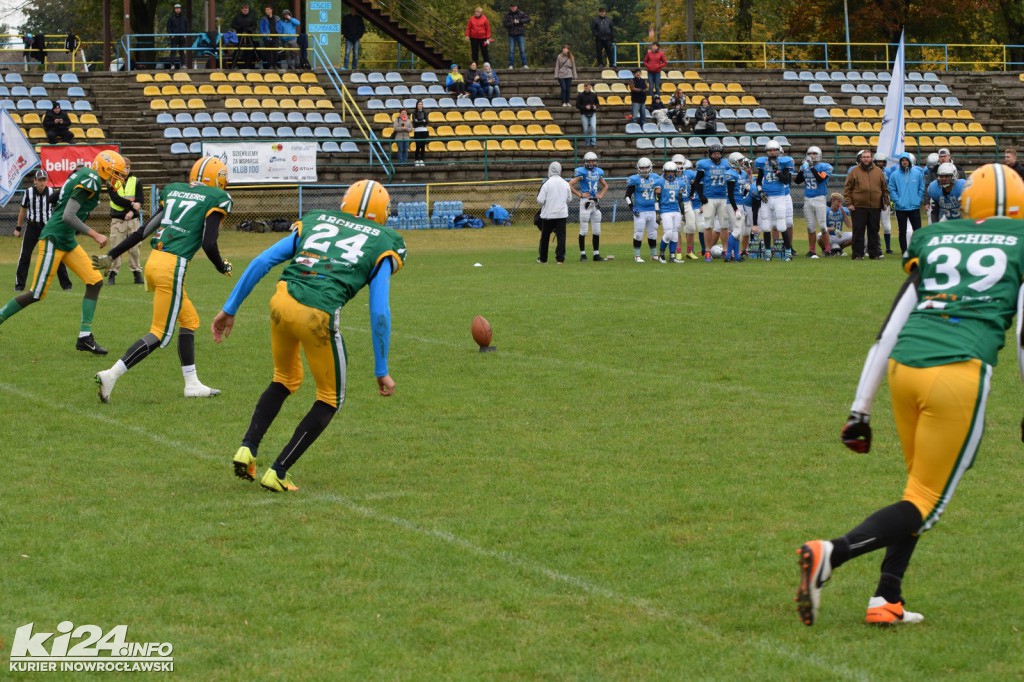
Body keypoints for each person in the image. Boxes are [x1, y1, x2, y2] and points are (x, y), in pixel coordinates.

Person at [796, 164, 1024, 628]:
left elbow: (888, 331)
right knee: (925, 502)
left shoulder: (938, 238)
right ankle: (830, 554)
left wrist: (859, 410)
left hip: (904, 369)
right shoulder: (1019, 242)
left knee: (915, 489)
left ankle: (887, 597)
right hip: (958, 372)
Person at [215, 180, 405, 493]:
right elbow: (380, 311)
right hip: (318, 314)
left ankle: (247, 448)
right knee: (330, 398)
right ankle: (278, 471)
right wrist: (381, 368)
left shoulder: (317, 219)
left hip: (282, 299)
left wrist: (230, 308)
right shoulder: (385, 240)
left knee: (284, 378)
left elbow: (263, 261)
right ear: (381, 213)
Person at [92, 157, 233, 403]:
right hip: (172, 266)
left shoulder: (175, 191)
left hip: (155, 260)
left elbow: (142, 231)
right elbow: (209, 242)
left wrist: (111, 255)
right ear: (219, 179)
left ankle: (192, 383)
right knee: (159, 333)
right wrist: (222, 266)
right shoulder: (216, 198)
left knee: (189, 320)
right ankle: (111, 374)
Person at [0, 151, 126, 355]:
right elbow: (68, 215)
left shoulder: (85, 173)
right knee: (36, 293)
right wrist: (95, 234)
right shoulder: (91, 180)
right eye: (115, 172)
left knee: (95, 281)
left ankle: (84, 337)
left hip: (66, 239)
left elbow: (57, 198)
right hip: (54, 238)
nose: (117, 178)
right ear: (104, 168)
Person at [14, 170, 71, 292]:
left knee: (56, 254)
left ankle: (66, 285)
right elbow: (23, 211)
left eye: (44, 180)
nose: (42, 182)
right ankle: (19, 285)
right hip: (32, 227)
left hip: (48, 227)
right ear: (35, 181)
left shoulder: (51, 192)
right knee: (25, 255)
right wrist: (18, 228)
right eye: (39, 180)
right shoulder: (28, 192)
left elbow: (60, 208)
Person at [843, 149, 890, 260]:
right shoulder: (854, 171)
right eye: (864, 157)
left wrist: (886, 200)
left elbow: (884, 188)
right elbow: (847, 188)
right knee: (858, 231)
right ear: (860, 158)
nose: (866, 159)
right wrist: (849, 203)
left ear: (871, 158)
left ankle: (874, 253)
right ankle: (858, 254)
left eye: (868, 157)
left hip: (875, 206)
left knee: (874, 230)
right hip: (858, 206)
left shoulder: (878, 171)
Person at [105, 158, 145, 286]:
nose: (125, 170)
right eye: (123, 167)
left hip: (133, 219)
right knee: (116, 246)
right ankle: (112, 274)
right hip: (118, 219)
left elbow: (140, 199)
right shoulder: (112, 181)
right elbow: (116, 200)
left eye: (127, 167)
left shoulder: (136, 181)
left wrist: (132, 212)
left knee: (134, 248)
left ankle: (137, 274)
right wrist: (132, 205)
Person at [695, 144, 738, 262]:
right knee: (708, 225)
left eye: (718, 153)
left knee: (724, 225)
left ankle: (725, 250)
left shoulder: (727, 164)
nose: (716, 155)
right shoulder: (704, 164)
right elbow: (697, 182)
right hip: (709, 198)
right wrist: (701, 196)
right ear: (710, 154)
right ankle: (707, 251)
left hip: (723, 197)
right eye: (714, 153)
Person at [755, 140, 795, 261]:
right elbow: (758, 180)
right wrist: (760, 191)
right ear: (766, 152)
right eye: (770, 150)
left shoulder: (784, 162)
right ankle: (767, 251)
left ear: (778, 151)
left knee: (782, 225)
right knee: (766, 225)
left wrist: (777, 170)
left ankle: (787, 251)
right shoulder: (762, 163)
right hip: (766, 197)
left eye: (774, 150)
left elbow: (785, 181)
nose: (772, 152)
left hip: (779, 196)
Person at [792, 145, 832, 258]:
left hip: (819, 198)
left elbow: (820, 179)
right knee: (810, 226)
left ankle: (828, 250)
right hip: (807, 198)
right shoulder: (805, 166)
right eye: (810, 154)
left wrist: (811, 167)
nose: (812, 156)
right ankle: (812, 250)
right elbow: (797, 181)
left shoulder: (825, 167)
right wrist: (801, 170)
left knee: (823, 226)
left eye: (814, 153)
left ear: (819, 155)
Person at [569, 151, 608, 261]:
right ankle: (583, 254)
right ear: (585, 162)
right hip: (585, 201)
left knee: (597, 230)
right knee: (584, 230)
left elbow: (605, 185)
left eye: (593, 161)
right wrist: (580, 194)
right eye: (589, 161)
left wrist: (601, 195)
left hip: (595, 202)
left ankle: (596, 254)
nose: (591, 163)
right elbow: (570, 184)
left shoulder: (598, 172)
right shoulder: (581, 172)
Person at [888, 151, 927, 255]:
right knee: (902, 231)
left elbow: (921, 187)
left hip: (914, 207)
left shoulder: (917, 173)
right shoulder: (894, 175)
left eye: (906, 160)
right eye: (902, 160)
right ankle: (904, 251)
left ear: (910, 161)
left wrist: (918, 200)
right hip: (901, 208)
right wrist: (898, 201)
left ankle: (919, 250)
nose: (904, 162)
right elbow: (891, 189)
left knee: (918, 231)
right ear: (900, 162)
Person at [625, 157, 663, 262]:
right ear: (638, 168)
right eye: (642, 168)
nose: (644, 170)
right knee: (638, 233)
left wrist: (659, 208)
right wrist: (632, 207)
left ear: (650, 167)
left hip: (652, 209)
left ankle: (653, 254)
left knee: (653, 233)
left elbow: (660, 194)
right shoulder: (634, 179)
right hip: (640, 211)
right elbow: (627, 196)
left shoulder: (655, 177)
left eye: (646, 167)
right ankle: (637, 256)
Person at [537, 162, 570, 264]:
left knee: (545, 236)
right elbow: (569, 199)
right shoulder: (565, 183)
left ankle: (543, 258)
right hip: (561, 214)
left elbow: (540, 200)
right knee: (561, 237)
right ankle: (560, 258)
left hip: (548, 215)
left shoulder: (547, 184)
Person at [229, 4, 259, 69]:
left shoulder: (252, 17)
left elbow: (255, 26)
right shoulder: (237, 16)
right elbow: (233, 25)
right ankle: (233, 65)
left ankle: (247, 66)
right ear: (241, 9)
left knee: (248, 51)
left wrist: (250, 29)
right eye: (244, 10)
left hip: (249, 35)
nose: (245, 11)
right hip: (239, 35)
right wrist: (239, 28)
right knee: (237, 50)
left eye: (247, 10)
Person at [503, 3, 530, 69]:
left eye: (514, 7)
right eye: (512, 7)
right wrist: (512, 23)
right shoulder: (507, 14)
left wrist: (520, 21)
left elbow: (528, 19)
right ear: (510, 7)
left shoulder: (521, 13)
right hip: (511, 35)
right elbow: (504, 24)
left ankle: (524, 64)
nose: (513, 8)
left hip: (520, 34)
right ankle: (511, 65)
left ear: (516, 7)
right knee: (511, 51)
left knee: (522, 50)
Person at [167, 3, 190, 69]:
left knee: (182, 51)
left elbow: (187, 27)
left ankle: (183, 64)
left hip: (182, 37)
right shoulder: (171, 18)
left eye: (179, 8)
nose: (177, 10)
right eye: (176, 8)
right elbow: (168, 27)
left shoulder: (184, 18)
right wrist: (171, 35)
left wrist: (186, 34)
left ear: (180, 9)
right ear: (174, 9)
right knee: (173, 51)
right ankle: (172, 65)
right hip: (174, 37)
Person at [341, 6, 365, 70]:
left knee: (356, 54)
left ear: (356, 11)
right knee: (347, 53)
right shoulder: (346, 18)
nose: (353, 11)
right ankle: (345, 67)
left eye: (354, 10)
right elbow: (343, 28)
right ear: (350, 10)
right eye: (352, 10)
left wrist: (358, 36)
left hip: (356, 38)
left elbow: (362, 28)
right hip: (348, 38)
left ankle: (354, 67)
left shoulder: (359, 18)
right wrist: (346, 35)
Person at [575, 82, 598, 148]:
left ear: (590, 87)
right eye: (585, 88)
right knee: (586, 129)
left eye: (588, 87)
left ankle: (593, 143)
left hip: (592, 113)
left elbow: (598, 103)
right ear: (584, 88)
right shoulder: (580, 95)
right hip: (584, 113)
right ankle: (587, 144)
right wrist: (585, 107)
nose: (587, 89)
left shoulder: (594, 95)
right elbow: (577, 105)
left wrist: (595, 106)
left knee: (593, 128)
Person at [412, 100, 428, 167]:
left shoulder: (425, 112)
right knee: (418, 146)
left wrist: (419, 121)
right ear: (417, 105)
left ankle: (422, 159)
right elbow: (415, 122)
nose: (420, 105)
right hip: (417, 130)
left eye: (421, 104)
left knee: (423, 146)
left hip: (424, 130)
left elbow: (426, 121)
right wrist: (422, 121)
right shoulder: (414, 112)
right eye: (419, 104)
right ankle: (416, 160)